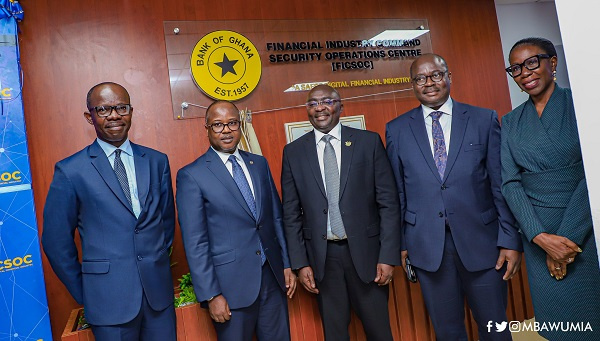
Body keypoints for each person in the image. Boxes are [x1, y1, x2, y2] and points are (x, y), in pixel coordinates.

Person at [385, 54, 522, 340]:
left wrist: (510, 239)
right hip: (427, 248)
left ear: (449, 77)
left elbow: (500, 184)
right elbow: (398, 192)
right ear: (413, 85)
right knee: (448, 332)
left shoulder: (483, 119)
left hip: (483, 244)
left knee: (495, 328)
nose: (429, 83)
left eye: (436, 75)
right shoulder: (397, 129)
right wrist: (402, 242)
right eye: (420, 78)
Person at [42, 82, 176, 340]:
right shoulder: (71, 170)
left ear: (131, 111)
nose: (114, 115)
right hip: (107, 303)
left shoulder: (157, 161)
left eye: (121, 108)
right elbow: (56, 242)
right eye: (103, 109)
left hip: (158, 298)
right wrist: (88, 292)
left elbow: (166, 223)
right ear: (89, 116)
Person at [281, 84, 401, 341]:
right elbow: (290, 213)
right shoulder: (293, 152)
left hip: (368, 257)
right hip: (323, 260)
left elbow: (389, 203)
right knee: (334, 335)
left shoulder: (368, 142)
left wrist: (388, 256)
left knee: (380, 332)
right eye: (313, 103)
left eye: (326, 101)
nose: (319, 108)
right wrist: (300, 263)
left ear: (340, 106)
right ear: (307, 110)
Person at [501, 37, 600, 340]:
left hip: (585, 230)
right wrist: (541, 238)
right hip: (538, 236)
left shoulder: (583, 104)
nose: (525, 72)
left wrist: (564, 241)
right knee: (558, 326)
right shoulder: (510, 122)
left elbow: (592, 171)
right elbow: (510, 182)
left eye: (532, 62)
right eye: (516, 68)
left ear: (552, 63)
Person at [176, 100, 296, 341]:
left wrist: (285, 264)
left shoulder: (258, 164)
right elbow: (195, 242)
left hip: (271, 279)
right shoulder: (192, 175)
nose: (226, 130)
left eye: (232, 123)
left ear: (240, 125)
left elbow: (275, 217)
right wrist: (211, 295)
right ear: (207, 128)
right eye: (218, 125)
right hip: (228, 289)